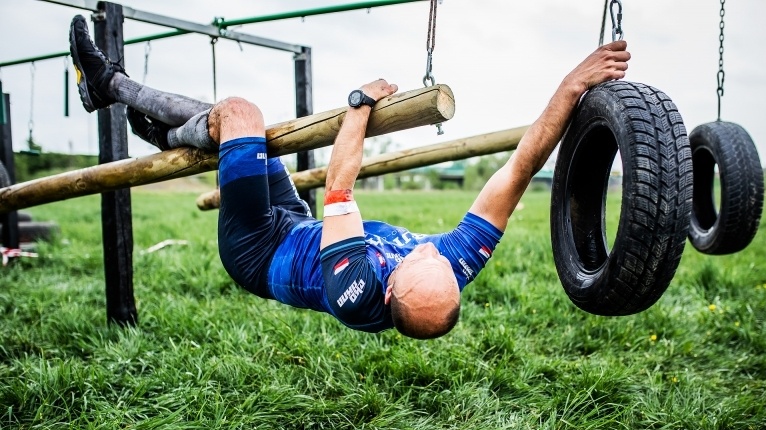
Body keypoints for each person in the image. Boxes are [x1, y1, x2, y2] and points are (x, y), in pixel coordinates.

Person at [69, 15, 630, 339]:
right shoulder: (445, 271)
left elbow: (340, 186)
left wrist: (359, 105)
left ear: (391, 286)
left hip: (256, 251)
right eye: (444, 263)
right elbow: (519, 167)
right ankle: (165, 131)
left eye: (422, 259)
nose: (433, 250)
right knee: (243, 137)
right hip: (294, 225)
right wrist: (571, 85)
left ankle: (107, 84)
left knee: (240, 115)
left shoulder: (354, 288)